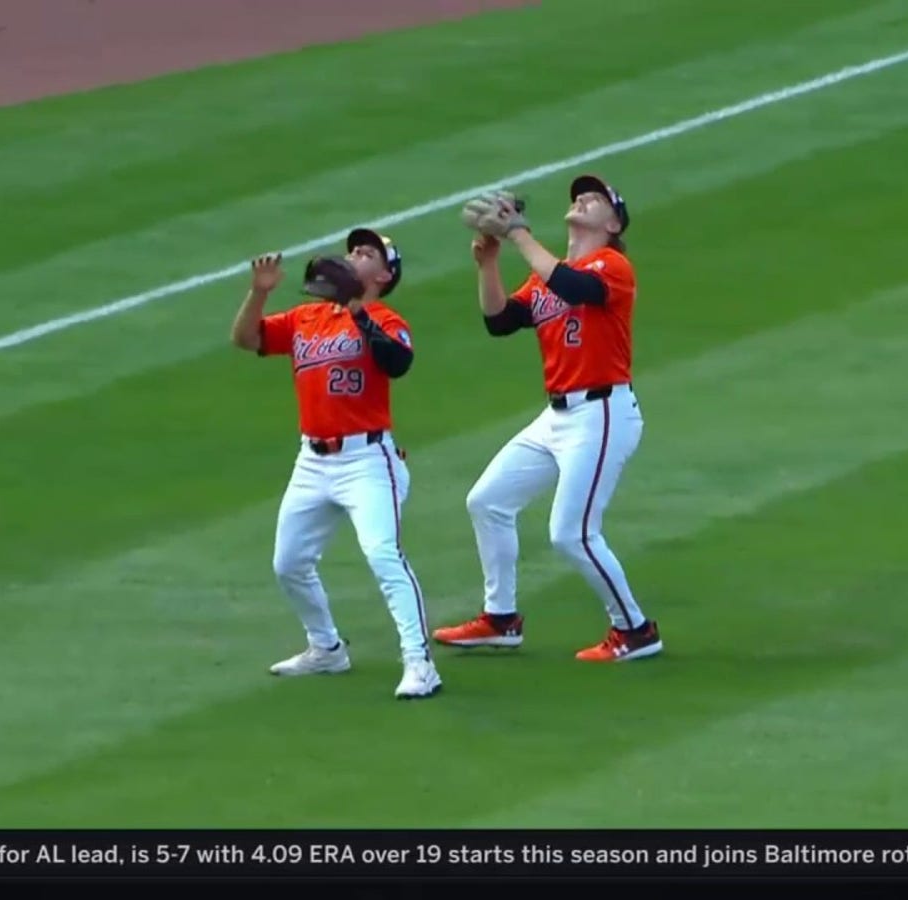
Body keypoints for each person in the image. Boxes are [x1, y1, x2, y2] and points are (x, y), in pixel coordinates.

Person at [432, 174, 660, 662]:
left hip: (602, 414)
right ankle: (500, 620)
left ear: (614, 222)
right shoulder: (546, 274)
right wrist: (488, 263)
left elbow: (573, 286)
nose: (582, 200)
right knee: (488, 501)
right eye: (579, 195)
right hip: (557, 417)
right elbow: (500, 321)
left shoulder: (612, 266)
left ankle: (635, 630)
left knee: (572, 533)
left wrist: (516, 232)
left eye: (595, 199)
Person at [229, 228, 441, 699]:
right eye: (353, 250)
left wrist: (358, 311)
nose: (354, 256)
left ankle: (420, 663)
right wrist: (258, 294)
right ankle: (326, 647)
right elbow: (247, 339)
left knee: (383, 556)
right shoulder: (308, 316)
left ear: (384, 275)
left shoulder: (385, 317)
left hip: (368, 459)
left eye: (367, 254)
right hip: (312, 461)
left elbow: (397, 362)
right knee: (289, 563)